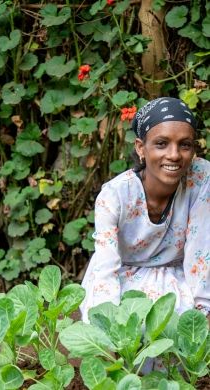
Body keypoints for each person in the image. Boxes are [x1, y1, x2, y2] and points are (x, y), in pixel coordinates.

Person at [80, 97, 210, 323]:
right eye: (161, 143)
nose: (174, 154)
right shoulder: (115, 196)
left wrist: (203, 313)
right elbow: (106, 266)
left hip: (178, 277)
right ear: (141, 147)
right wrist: (109, 328)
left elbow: (201, 253)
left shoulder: (200, 178)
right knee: (127, 325)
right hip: (122, 277)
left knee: (182, 324)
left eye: (185, 144)